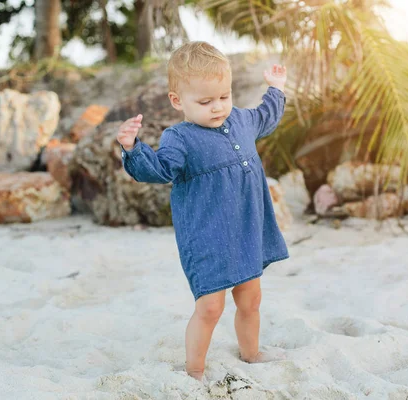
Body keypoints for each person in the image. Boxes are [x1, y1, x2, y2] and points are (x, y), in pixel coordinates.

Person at [116, 41, 289, 381]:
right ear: (177, 100)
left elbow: (265, 117)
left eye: (224, 96)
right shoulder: (179, 138)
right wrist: (132, 148)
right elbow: (159, 169)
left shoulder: (240, 120)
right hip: (207, 234)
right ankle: (194, 370)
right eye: (206, 101)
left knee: (250, 298)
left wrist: (276, 89)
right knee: (210, 307)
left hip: (246, 227)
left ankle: (251, 353)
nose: (218, 107)